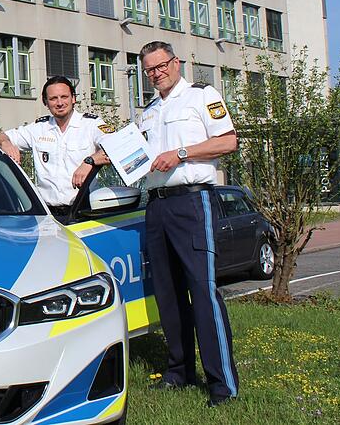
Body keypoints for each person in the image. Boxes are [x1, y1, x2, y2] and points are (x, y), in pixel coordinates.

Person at [138, 41, 239, 407]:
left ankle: (222, 385)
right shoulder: (148, 112)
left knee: (203, 290)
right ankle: (179, 371)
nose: (157, 73)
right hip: (157, 205)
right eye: (150, 70)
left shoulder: (201, 96)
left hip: (192, 202)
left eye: (161, 65)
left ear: (176, 62)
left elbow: (228, 142)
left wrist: (181, 154)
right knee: (168, 293)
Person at [0, 76, 111, 218]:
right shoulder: (39, 128)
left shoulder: (91, 125)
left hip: (84, 211)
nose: (59, 103)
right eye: (53, 98)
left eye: (64, 97)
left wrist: (89, 161)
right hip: (47, 215)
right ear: (45, 102)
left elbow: (115, 148)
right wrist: (6, 144)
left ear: (73, 98)